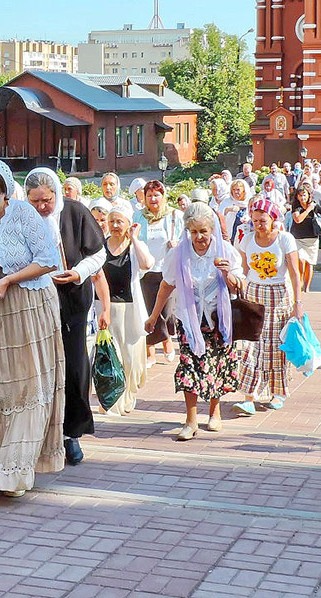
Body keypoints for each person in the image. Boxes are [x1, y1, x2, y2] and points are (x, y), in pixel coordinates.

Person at [0, 159, 64, 496]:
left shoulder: (24, 215)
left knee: (27, 387)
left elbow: (49, 259)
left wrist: (8, 280)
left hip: (28, 305)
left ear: (6, 194)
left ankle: (15, 471)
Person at [25, 167, 110, 466]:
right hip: (35, 303)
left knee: (73, 367)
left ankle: (70, 434)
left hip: (71, 300)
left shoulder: (75, 212)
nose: (41, 208)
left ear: (56, 195)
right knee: (40, 370)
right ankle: (41, 434)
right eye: (34, 201)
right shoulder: (25, 217)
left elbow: (99, 254)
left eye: (46, 200)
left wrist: (78, 273)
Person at [146, 202, 243, 438]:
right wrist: (154, 316)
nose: (199, 237)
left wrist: (227, 273)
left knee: (217, 365)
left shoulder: (226, 251)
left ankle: (214, 412)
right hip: (189, 318)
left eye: (203, 231)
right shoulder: (178, 254)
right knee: (189, 366)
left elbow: (239, 285)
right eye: (194, 232)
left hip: (219, 318)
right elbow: (166, 285)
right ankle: (190, 421)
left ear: (212, 230)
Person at [232, 198, 303, 416]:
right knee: (251, 345)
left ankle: (277, 392)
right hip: (254, 294)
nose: (259, 225)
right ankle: (249, 397)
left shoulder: (284, 239)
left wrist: (297, 303)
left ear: (273, 220)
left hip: (278, 296)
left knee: (274, 346)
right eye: (255, 221)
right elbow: (243, 269)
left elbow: (294, 273)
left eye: (263, 221)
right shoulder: (248, 239)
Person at [101, 203, 155, 416]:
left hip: (130, 309)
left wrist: (134, 238)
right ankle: (112, 400)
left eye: (119, 222)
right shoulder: (100, 246)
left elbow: (147, 264)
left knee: (130, 358)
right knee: (111, 356)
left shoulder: (134, 247)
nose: (115, 225)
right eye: (112, 221)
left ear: (128, 224)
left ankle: (128, 395)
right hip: (106, 308)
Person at [134, 180, 185, 367]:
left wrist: (177, 245)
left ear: (163, 196)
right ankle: (150, 352)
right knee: (148, 310)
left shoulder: (174, 216)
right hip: (146, 271)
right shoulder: (138, 217)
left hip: (167, 270)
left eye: (157, 195)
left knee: (165, 310)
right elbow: (133, 239)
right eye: (149, 195)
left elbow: (184, 239)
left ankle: (166, 340)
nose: (153, 199)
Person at [290, 184, 321, 292]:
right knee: (301, 260)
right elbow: (298, 219)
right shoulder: (296, 207)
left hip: (312, 238)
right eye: (300, 195)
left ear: (308, 195)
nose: (303, 198)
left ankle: (307, 287)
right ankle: (300, 283)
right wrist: (307, 210)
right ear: (297, 197)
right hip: (298, 238)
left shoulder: (314, 205)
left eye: (304, 195)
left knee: (309, 263)